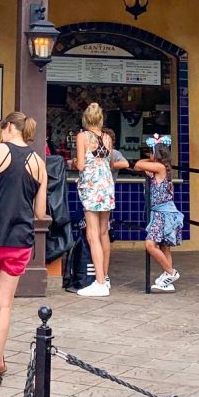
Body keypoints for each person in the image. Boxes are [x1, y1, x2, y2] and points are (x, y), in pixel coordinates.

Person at [0, 112, 46, 391]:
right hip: (20, 239)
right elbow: (40, 212)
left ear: (8, 127)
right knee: (5, 304)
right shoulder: (39, 163)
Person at [73, 103, 117, 298]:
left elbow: (81, 165)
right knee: (103, 232)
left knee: (92, 235)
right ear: (100, 119)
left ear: (85, 119)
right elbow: (111, 162)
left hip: (91, 186)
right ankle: (105, 277)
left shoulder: (82, 136)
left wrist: (73, 161)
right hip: (107, 184)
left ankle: (99, 282)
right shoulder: (107, 137)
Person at [134, 134, 183, 292]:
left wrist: (149, 163)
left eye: (151, 152)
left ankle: (171, 272)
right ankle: (167, 281)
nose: (148, 154)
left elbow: (137, 164)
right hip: (163, 212)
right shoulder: (161, 168)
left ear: (156, 154)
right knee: (164, 247)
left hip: (163, 213)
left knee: (150, 244)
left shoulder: (160, 168)